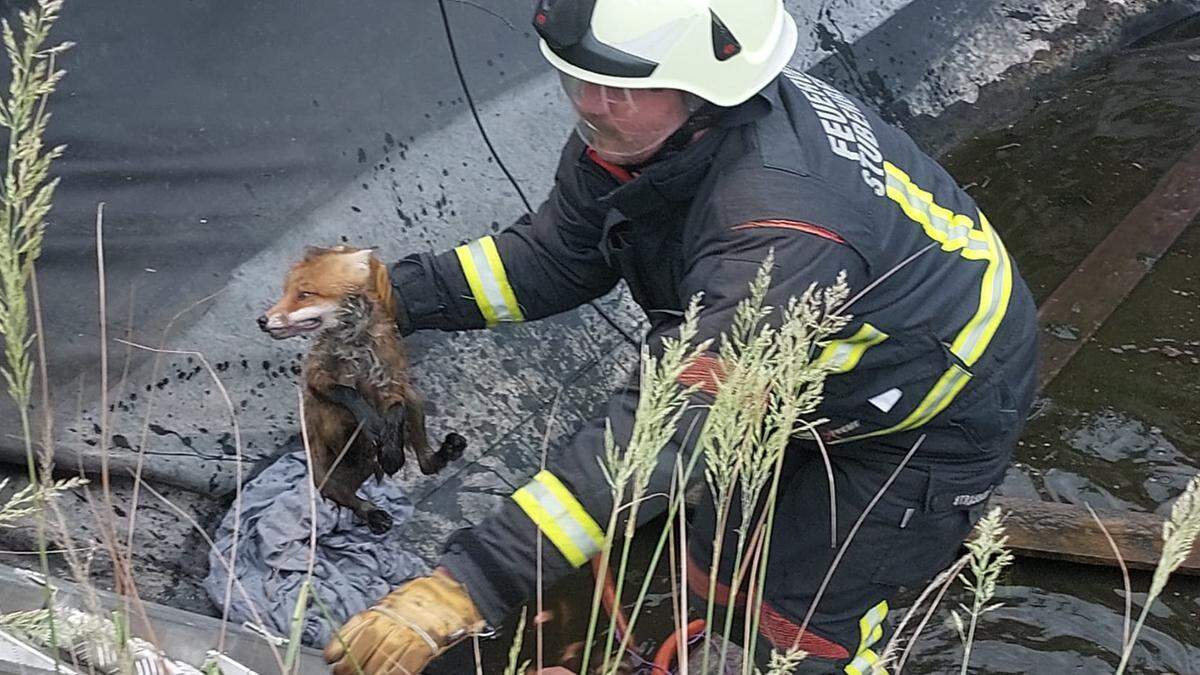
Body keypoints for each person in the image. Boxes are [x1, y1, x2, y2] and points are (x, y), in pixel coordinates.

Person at [323, 0, 1038, 672]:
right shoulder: (642, 139)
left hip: (922, 417)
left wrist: (466, 585)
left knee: (803, 626)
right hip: (806, 366)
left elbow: (657, 436)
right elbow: (552, 259)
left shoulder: (780, 228)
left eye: (622, 89)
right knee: (715, 563)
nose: (590, 104)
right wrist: (391, 296)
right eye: (578, 78)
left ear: (710, 90)